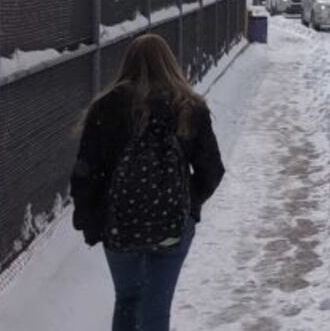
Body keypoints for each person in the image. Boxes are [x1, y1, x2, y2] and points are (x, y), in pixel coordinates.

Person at [71, 35, 225, 331]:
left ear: (127, 65)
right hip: (172, 224)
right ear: (170, 64)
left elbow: (85, 171)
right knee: (157, 308)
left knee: (127, 299)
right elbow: (212, 170)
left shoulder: (106, 108)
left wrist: (91, 218)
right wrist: (188, 204)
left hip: (119, 224)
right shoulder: (189, 107)